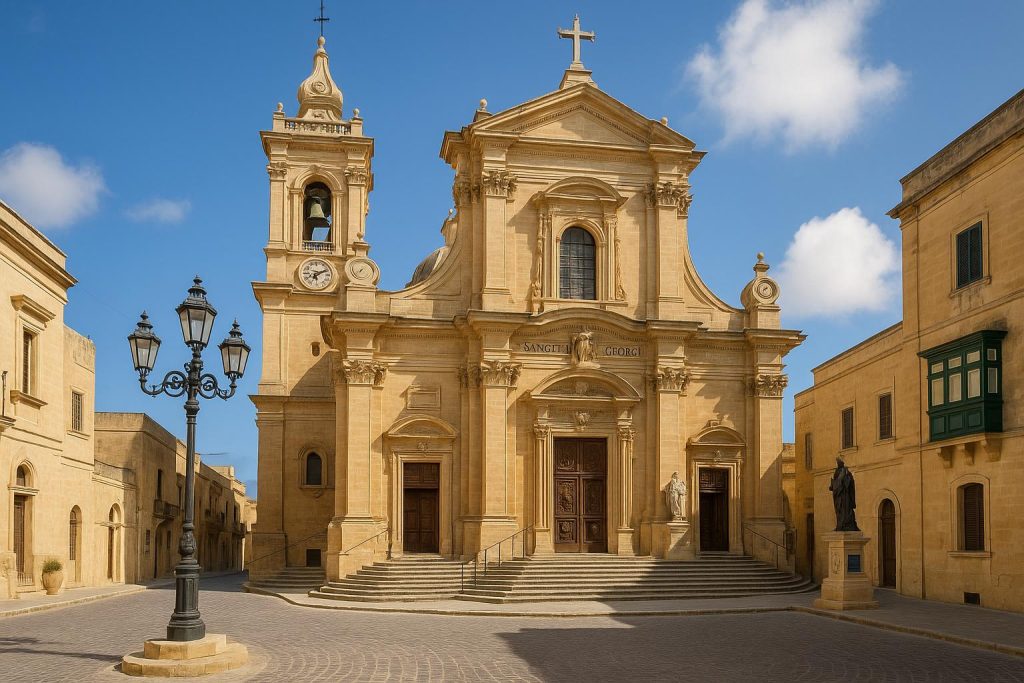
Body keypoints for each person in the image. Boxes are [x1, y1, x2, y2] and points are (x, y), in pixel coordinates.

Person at [829, 456, 859, 531]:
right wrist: (833, 485)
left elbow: (849, 482)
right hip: (838, 496)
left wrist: (842, 482)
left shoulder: (846, 471)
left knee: (846, 510)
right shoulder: (836, 472)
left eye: (839, 462)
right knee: (839, 510)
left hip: (845, 495)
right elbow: (835, 482)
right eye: (837, 462)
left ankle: (846, 524)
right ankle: (840, 525)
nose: (838, 463)